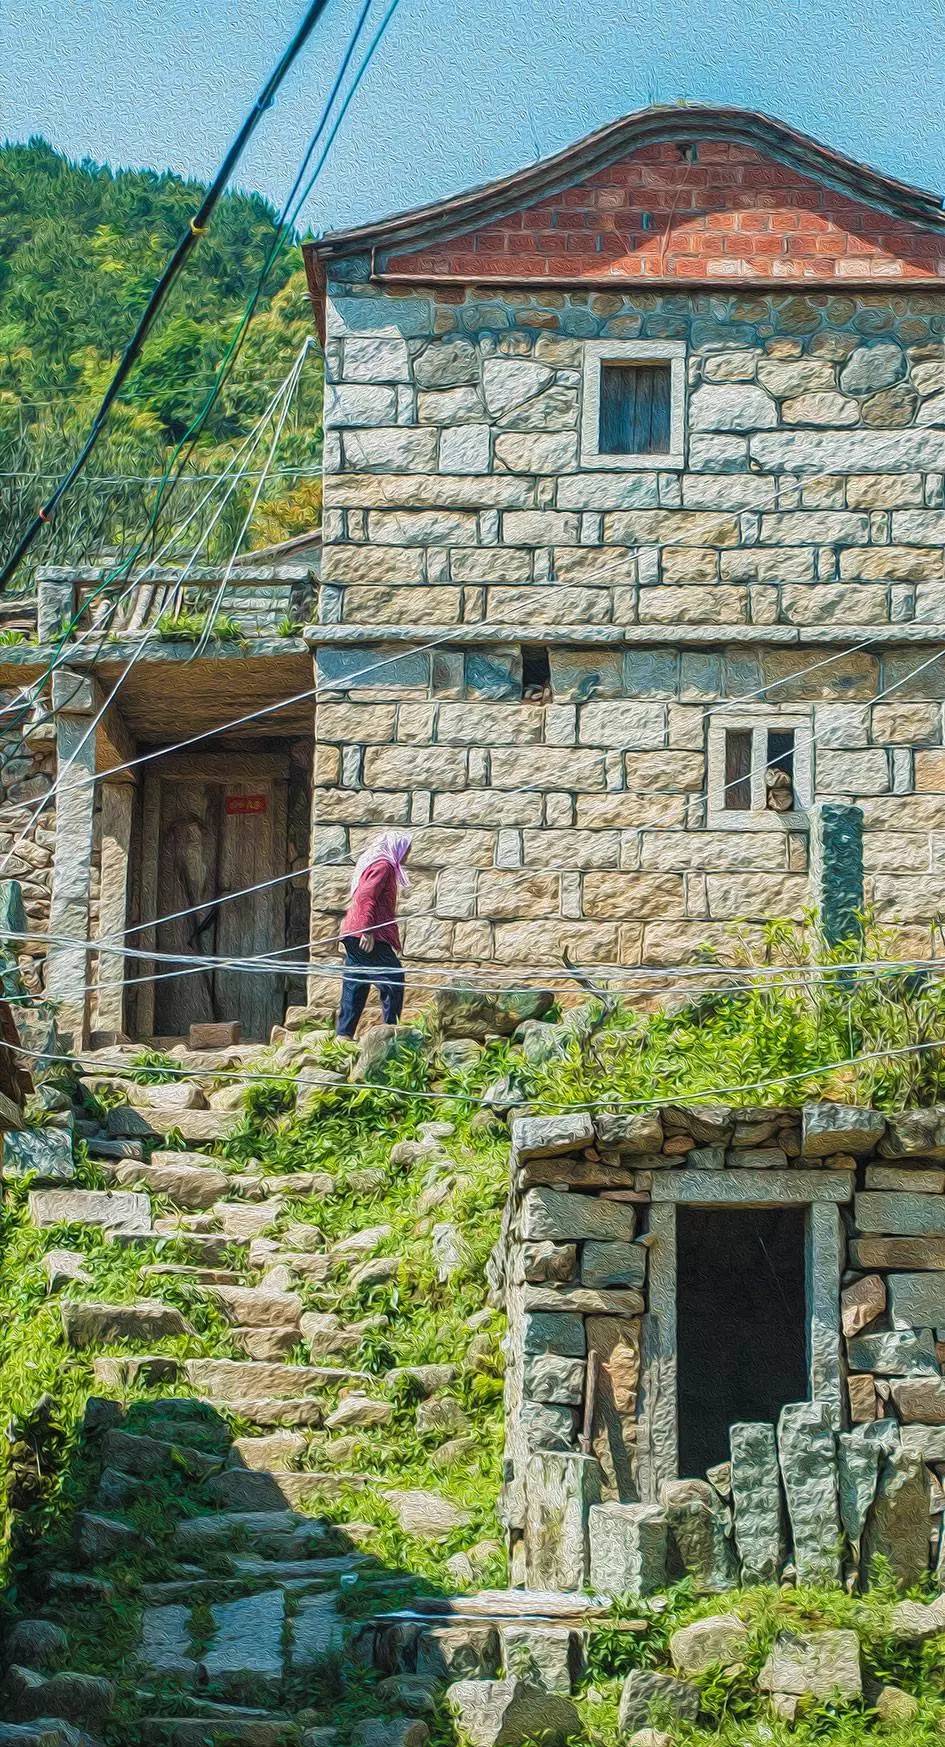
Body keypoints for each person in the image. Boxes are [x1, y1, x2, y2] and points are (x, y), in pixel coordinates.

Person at [336, 831, 411, 1038]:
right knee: (393, 978)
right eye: (406, 850)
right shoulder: (384, 866)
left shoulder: (376, 863)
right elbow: (367, 894)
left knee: (355, 982)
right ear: (397, 848)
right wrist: (367, 930)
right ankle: (391, 1032)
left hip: (354, 932)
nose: (407, 855)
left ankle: (343, 1036)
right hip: (370, 935)